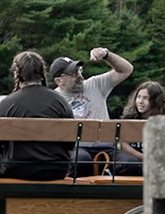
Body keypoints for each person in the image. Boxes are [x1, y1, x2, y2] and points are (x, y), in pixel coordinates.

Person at [0, 50, 74, 180]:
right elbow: (70, 143)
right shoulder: (60, 101)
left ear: (16, 73)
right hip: (55, 170)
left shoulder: (7, 103)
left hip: (17, 169)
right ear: (42, 72)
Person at [49, 47, 133, 175]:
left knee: (130, 163)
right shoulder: (54, 99)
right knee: (81, 160)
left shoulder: (95, 84)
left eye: (78, 70)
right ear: (59, 81)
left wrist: (106, 55)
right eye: (72, 73)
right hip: (77, 149)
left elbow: (126, 70)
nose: (79, 76)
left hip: (106, 147)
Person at [112, 80, 165, 169]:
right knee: (131, 163)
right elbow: (123, 144)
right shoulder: (129, 117)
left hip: (154, 156)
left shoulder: (164, 119)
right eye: (138, 97)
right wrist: (141, 156)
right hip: (132, 156)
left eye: (145, 98)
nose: (140, 101)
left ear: (156, 101)